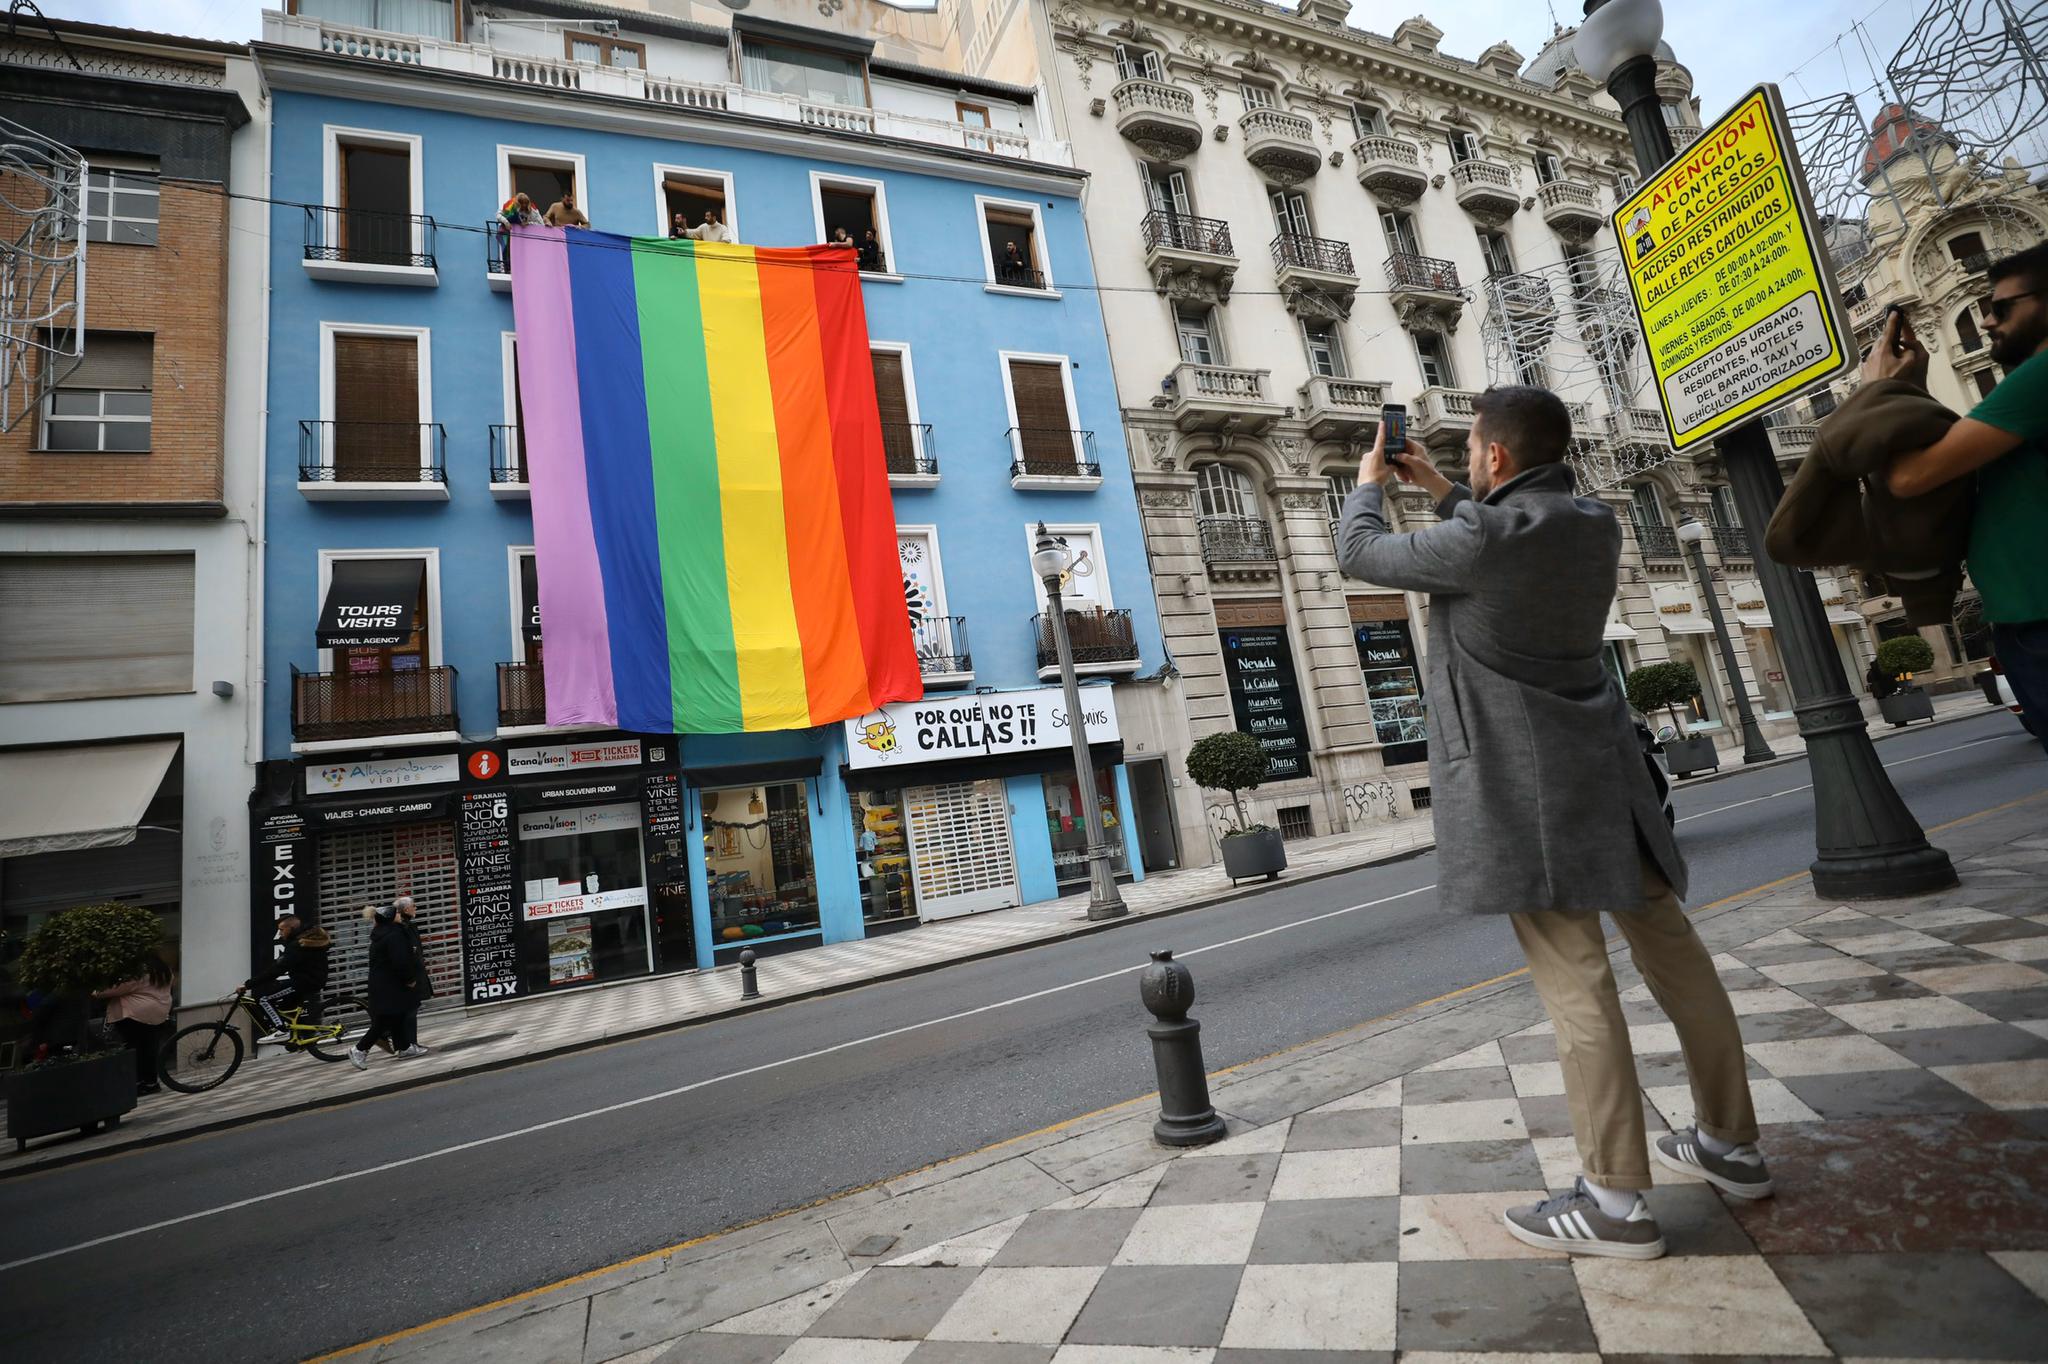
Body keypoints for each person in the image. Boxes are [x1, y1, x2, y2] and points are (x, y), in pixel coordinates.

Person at [1337, 387, 1769, 1260]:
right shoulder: (1595, 523)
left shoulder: (1482, 539)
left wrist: (1371, 481)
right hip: (1609, 776)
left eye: (1471, 455)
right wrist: (1446, 491)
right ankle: (1731, 1143)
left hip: (1529, 794)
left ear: (1495, 457)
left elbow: (1359, 552)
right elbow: (1503, 533)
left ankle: (1614, 1201)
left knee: (1578, 983)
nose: (1466, 466)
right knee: (1675, 955)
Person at [1882, 243, 2048, 756]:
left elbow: (1910, 477)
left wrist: (1881, 388)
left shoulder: (2039, 377)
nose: (1988, 321)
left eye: (2002, 307)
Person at [348, 901, 429, 1068]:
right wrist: (410, 979)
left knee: (398, 1015)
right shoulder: (394, 935)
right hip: (392, 984)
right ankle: (359, 1049)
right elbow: (400, 961)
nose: (399, 915)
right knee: (385, 1020)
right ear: (390, 917)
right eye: (396, 913)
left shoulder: (381, 933)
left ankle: (404, 1048)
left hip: (384, 984)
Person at [246, 915, 332, 1043]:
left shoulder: (298, 945)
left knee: (263, 999)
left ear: (291, 928)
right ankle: (306, 1037)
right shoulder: (306, 939)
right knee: (285, 1007)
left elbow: (278, 970)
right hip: (310, 980)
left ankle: (282, 1031)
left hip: (304, 982)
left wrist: (248, 984)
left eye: (282, 930)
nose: (279, 934)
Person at [95, 952, 173, 1094]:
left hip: (135, 1013)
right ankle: (151, 1082)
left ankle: (138, 1082)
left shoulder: (138, 973)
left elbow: (117, 989)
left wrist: (95, 992)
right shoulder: (164, 970)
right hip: (159, 1011)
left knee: (134, 1048)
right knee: (150, 1048)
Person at [391, 894, 434, 1056]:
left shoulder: (407, 926)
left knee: (410, 1010)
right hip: (410, 977)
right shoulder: (402, 928)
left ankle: (408, 1044)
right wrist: (410, 978)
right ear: (406, 909)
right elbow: (407, 955)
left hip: (412, 975)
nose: (416, 908)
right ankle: (408, 1045)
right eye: (413, 906)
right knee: (409, 1011)